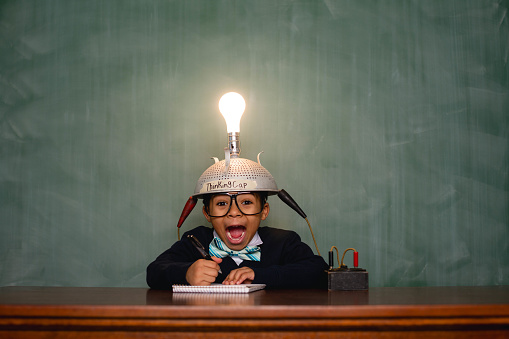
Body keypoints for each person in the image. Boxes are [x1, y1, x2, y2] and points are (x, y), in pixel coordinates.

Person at [146, 155, 328, 289]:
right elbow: (154, 271)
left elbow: (318, 271)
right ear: (207, 212)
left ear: (264, 211)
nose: (234, 212)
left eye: (246, 202)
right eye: (222, 203)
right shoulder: (195, 241)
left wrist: (259, 275)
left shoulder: (283, 241)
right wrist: (186, 273)